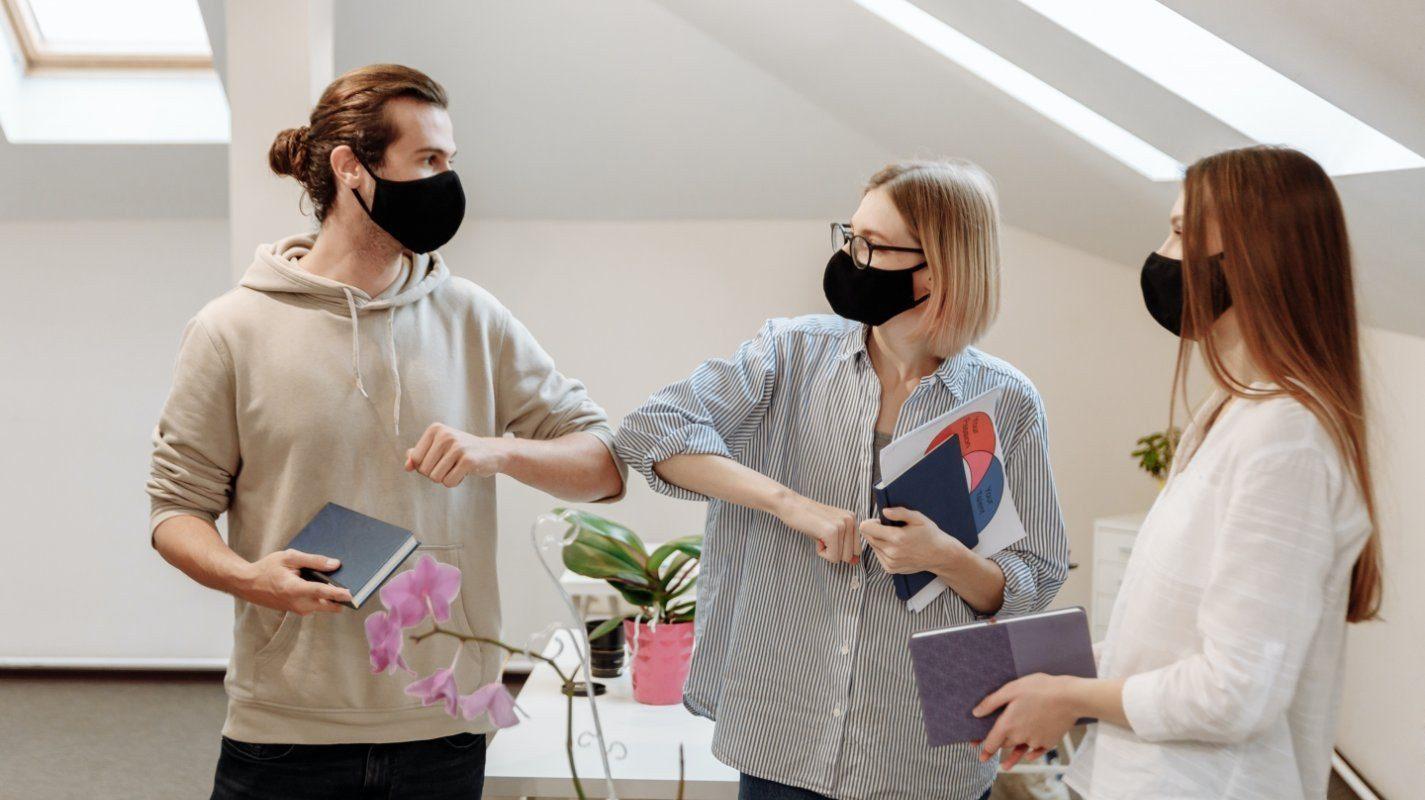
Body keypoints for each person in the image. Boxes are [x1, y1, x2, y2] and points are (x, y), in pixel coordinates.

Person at [147, 64, 625, 800]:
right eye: (427, 161)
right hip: (285, 731)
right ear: (351, 170)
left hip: (440, 725)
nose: (447, 182)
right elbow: (175, 511)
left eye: (450, 162)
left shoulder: (473, 317)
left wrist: (496, 450)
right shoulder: (229, 330)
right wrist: (251, 579)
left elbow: (603, 466)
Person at [614, 160, 1070, 800]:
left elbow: (1037, 577)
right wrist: (789, 504)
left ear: (936, 268)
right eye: (849, 237)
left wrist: (944, 558)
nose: (850, 259)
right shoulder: (788, 353)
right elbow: (649, 430)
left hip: (921, 755)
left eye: (873, 246)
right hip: (782, 736)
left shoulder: (1008, 402)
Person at [972, 146, 1383, 800]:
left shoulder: (1286, 440)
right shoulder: (1231, 411)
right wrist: (1048, 682)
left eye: (1183, 233)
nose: (1164, 252)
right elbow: (1163, 645)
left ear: (1255, 255)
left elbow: (1233, 693)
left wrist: (1070, 695)